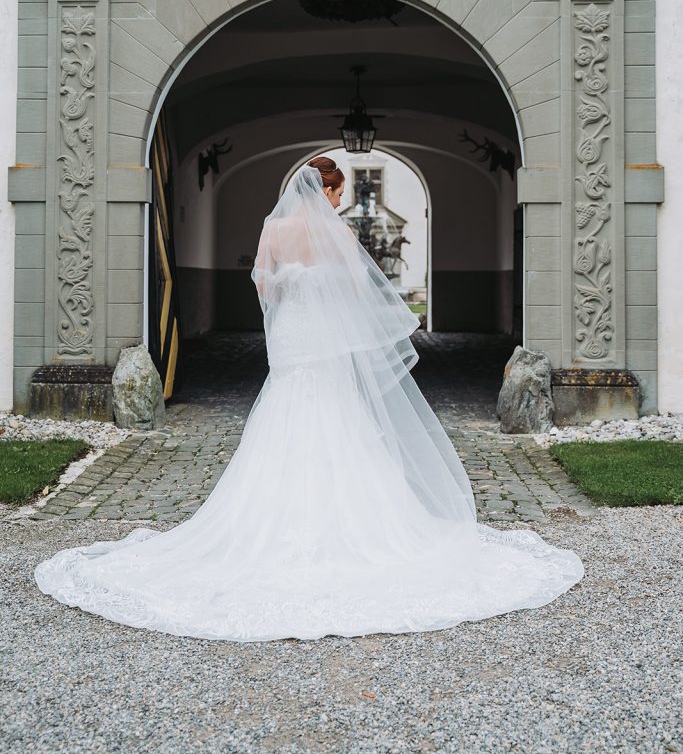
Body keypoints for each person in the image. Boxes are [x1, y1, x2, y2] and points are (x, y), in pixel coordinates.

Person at [34, 156, 584, 641]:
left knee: (285, 415)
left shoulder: (272, 230)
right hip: (324, 340)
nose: (341, 201)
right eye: (339, 193)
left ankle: (272, 519)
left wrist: (291, 300)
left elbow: (263, 288)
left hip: (293, 340)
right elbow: (356, 292)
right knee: (341, 419)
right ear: (324, 191)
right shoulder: (337, 236)